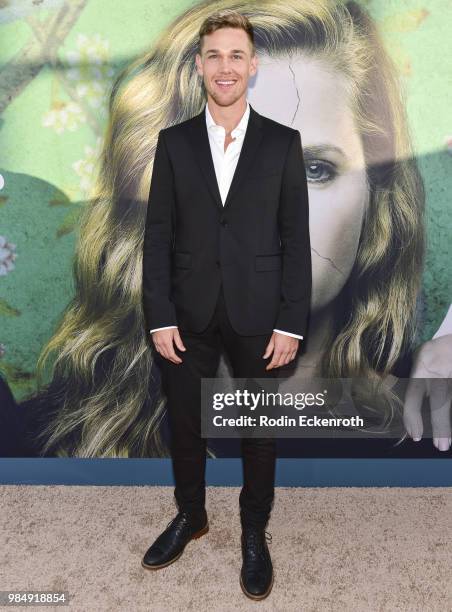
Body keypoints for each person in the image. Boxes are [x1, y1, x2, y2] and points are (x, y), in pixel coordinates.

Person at [140, 10, 311, 600]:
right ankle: (192, 515)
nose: (225, 67)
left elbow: (295, 239)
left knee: (257, 432)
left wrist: (291, 320)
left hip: (259, 315)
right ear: (199, 67)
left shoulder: (283, 144)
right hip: (185, 313)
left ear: (253, 65)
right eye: (214, 56)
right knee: (185, 425)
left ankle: (254, 533)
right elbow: (157, 235)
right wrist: (159, 313)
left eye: (236, 56)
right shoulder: (173, 143)